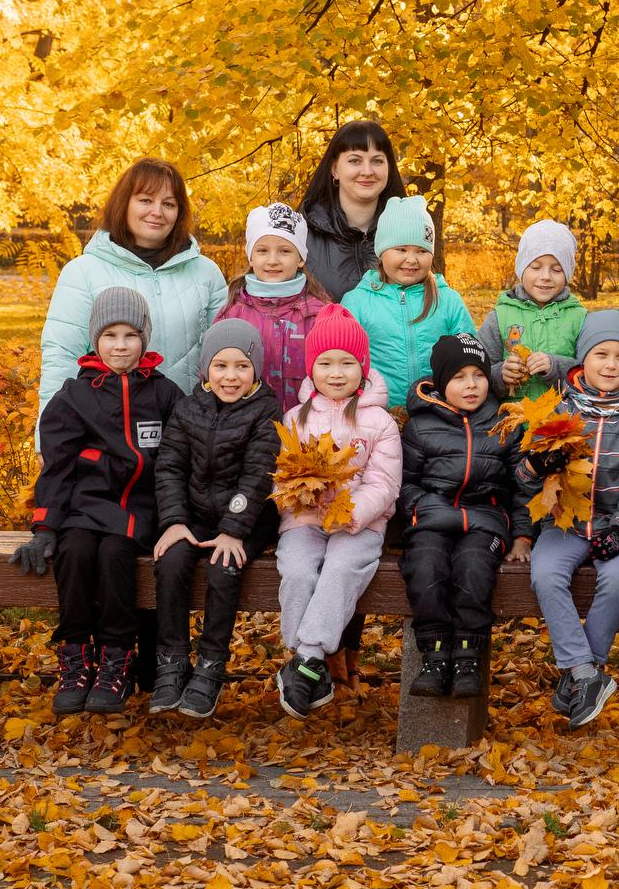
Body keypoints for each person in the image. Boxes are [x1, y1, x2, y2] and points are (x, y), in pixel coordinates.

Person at [13, 289, 183, 714]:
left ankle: (116, 659)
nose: (121, 345)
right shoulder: (75, 394)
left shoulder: (164, 394)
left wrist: (179, 517)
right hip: (83, 508)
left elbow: (179, 460)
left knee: (113, 555)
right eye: (110, 335)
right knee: (73, 552)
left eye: (130, 335)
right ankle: (75, 654)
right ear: (95, 340)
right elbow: (57, 466)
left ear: (145, 339)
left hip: (141, 513)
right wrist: (45, 527)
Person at [522, 311, 619, 730]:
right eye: (601, 354)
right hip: (565, 522)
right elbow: (522, 476)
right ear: (584, 359)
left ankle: (582, 673)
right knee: (545, 574)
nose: (611, 364)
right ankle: (586, 673)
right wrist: (537, 464)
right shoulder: (559, 410)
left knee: (618, 579)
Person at [273, 306, 403, 718]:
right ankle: (308, 661)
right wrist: (297, 496)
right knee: (296, 570)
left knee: (341, 569)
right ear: (311, 370)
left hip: (358, 526)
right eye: (325, 363)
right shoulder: (296, 418)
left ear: (362, 368)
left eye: (347, 363)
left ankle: (306, 660)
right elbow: (282, 476)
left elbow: (383, 483)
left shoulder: (379, 421)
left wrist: (352, 512)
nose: (336, 372)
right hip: (305, 521)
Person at [150, 319, 282, 718]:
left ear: (256, 370)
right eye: (220, 366)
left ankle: (210, 665)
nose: (230, 376)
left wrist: (232, 530)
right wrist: (174, 521)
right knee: (171, 562)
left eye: (241, 366)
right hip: (193, 516)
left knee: (224, 568)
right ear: (206, 368)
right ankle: (171, 662)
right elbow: (170, 467)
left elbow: (258, 476)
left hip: (248, 521)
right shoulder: (188, 408)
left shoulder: (266, 411)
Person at [398, 334, 531, 701]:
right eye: (458, 377)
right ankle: (435, 654)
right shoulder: (421, 426)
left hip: (485, 518)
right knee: (425, 566)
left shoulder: (505, 422)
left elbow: (521, 488)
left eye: (478, 374)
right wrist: (423, 511)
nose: (471, 385)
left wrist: (522, 536)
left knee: (473, 568)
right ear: (441, 382)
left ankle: (468, 656)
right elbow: (405, 484)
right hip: (431, 518)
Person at [37, 158, 226, 416]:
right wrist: (47, 439)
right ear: (124, 203)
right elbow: (61, 357)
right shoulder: (83, 272)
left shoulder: (206, 273)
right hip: (109, 432)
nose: (157, 211)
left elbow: (226, 355)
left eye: (168, 204)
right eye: (146, 200)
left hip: (189, 430)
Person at [339, 195, 474, 409]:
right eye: (401, 249)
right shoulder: (357, 301)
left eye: (421, 251)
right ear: (382, 253)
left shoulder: (447, 300)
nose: (411, 259)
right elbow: (342, 360)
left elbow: (469, 356)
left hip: (438, 412)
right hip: (376, 413)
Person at [215, 203, 330, 411]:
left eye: (285, 251)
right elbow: (212, 372)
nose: (272, 260)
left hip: (306, 429)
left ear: (301, 258)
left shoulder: (320, 315)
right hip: (246, 430)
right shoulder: (232, 313)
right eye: (262, 250)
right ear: (250, 256)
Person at [478, 218, 589, 402]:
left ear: (568, 274)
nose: (545, 277)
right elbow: (478, 368)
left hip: (561, 422)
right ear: (521, 269)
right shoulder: (500, 316)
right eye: (535, 267)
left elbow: (590, 371)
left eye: (556, 269)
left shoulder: (579, 318)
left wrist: (556, 366)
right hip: (513, 423)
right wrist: (500, 374)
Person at [299, 119, 407, 302]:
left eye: (377, 161)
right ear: (335, 169)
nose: (367, 171)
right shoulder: (302, 233)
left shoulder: (410, 229)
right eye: (355, 160)